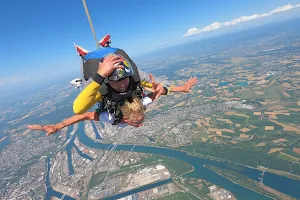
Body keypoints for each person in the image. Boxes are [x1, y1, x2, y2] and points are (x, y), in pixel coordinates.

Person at [73, 45, 197, 125]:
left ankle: (104, 46)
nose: (122, 85)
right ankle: (83, 55)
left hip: (114, 52)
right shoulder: (101, 90)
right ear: (107, 81)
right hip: (93, 59)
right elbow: (78, 109)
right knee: (85, 88)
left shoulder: (134, 76)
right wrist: (100, 75)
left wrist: (176, 88)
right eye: (116, 81)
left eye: (124, 79)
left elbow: (160, 87)